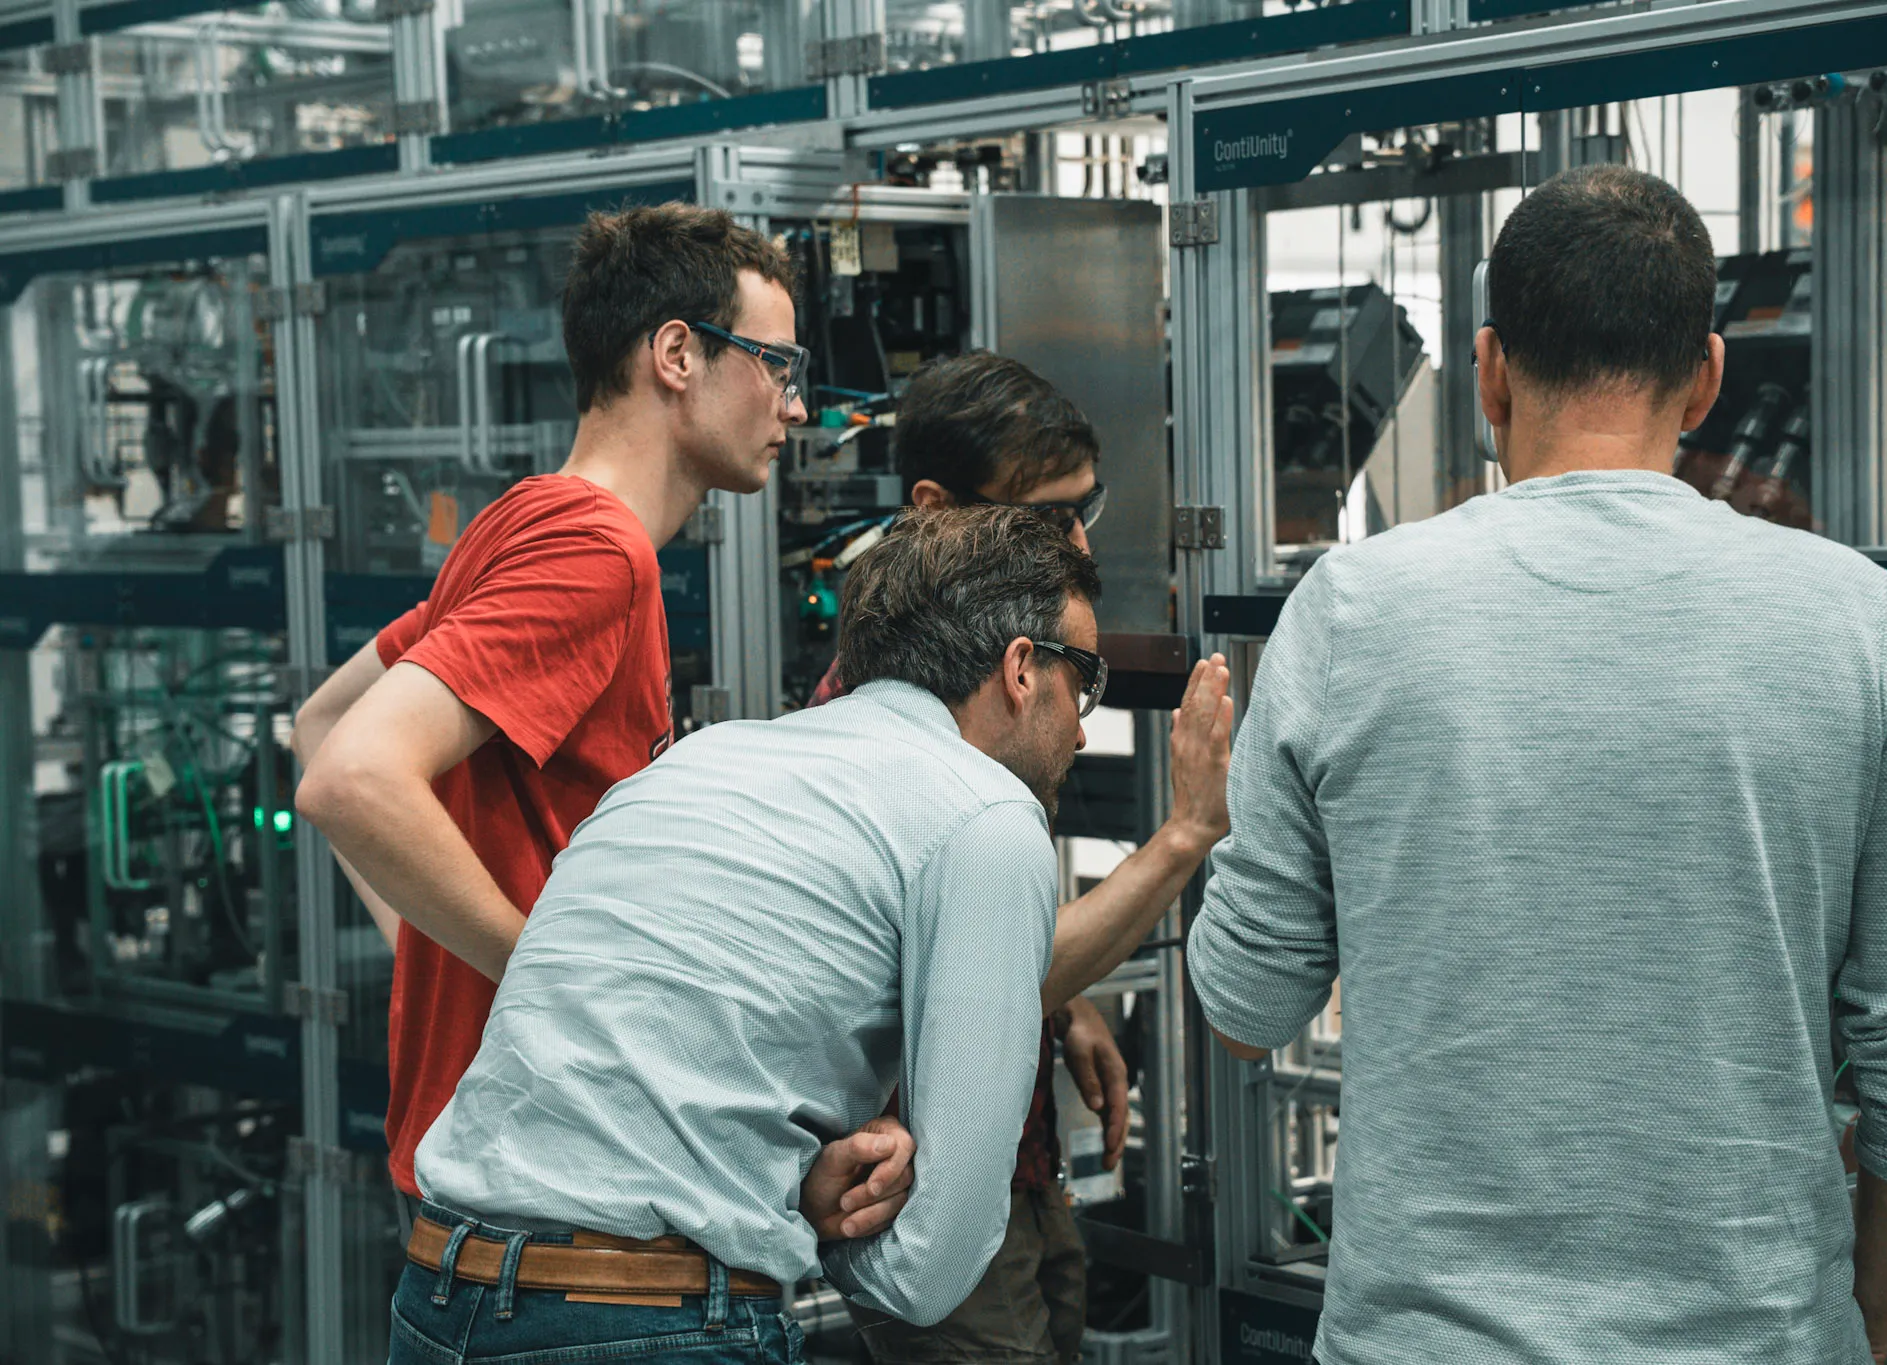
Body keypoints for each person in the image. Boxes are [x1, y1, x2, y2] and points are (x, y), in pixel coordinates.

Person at [1187, 164, 1887, 1365]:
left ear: (1488, 372)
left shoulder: (1351, 610)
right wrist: (1867, 1312)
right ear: (1708, 378)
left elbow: (1248, 1015)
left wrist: (1199, 830)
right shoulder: (1846, 616)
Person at [391, 505, 1136, 1364]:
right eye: (1083, 678)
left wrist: (776, 1191)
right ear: (1019, 670)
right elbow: (934, 1268)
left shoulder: (699, 760)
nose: (1082, 726)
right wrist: (812, 1228)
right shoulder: (986, 811)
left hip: (438, 1288)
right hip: (648, 1321)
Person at [292, 204, 909, 1231]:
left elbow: (319, 723)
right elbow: (348, 776)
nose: (795, 409)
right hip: (548, 1188)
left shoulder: (525, 518)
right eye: (776, 364)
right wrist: (546, 979)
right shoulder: (590, 550)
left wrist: (441, 960)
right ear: (676, 354)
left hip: (499, 1172)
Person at [811, 352, 1232, 1365]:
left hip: (1020, 1157)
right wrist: (1182, 834)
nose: (1079, 542)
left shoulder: (1002, 675)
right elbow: (975, 970)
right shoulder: (886, 708)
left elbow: (979, 935)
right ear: (932, 506)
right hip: (927, 1179)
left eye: (1084, 509)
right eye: (1046, 519)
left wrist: (1062, 1004)